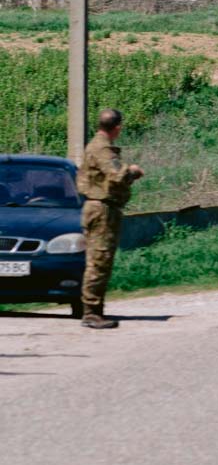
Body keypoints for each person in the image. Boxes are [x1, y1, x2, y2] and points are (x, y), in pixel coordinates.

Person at [76, 108, 143, 329]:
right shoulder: (102, 148)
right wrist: (132, 171)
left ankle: (94, 309)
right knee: (99, 259)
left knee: (100, 259)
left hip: (101, 207)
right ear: (117, 128)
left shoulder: (97, 145)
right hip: (101, 208)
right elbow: (117, 174)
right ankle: (91, 312)